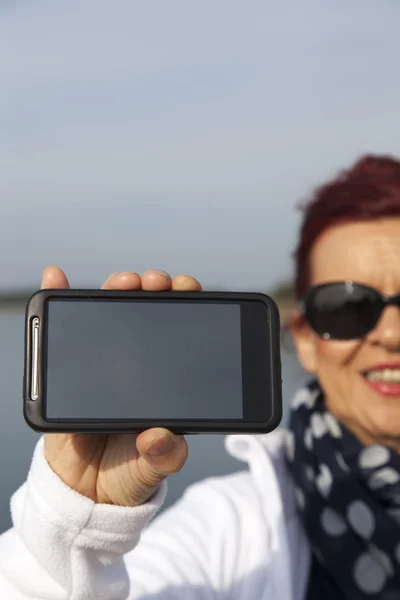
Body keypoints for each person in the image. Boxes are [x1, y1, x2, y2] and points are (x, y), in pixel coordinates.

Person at [1, 154, 400, 599]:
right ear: (304, 338)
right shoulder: (225, 532)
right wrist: (68, 535)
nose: (392, 334)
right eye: (347, 308)